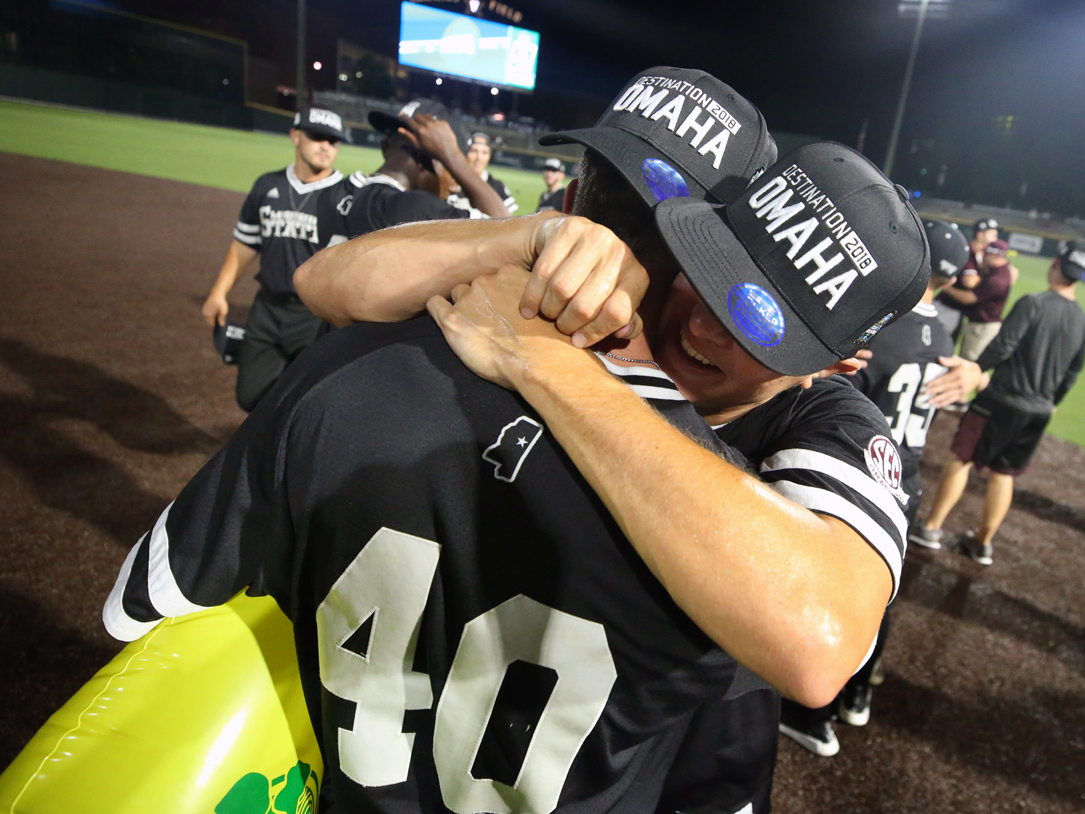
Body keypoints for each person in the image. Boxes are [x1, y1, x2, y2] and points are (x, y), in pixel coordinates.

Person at [108, 67, 916, 813]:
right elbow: (324, 282)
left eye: (760, 321)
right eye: (714, 267)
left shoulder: (418, 347)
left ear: (840, 365)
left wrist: (549, 366)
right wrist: (527, 258)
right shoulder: (484, 313)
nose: (704, 321)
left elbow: (820, 645)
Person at [773, 219, 981, 756]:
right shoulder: (943, 331)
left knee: (818, 591)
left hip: (851, 468)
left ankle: (810, 714)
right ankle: (858, 695)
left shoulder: (883, 325)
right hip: (904, 476)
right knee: (876, 597)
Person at [910, 241, 1085, 565]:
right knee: (1003, 474)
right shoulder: (1083, 321)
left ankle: (931, 528)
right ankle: (982, 542)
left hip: (1000, 400)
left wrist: (975, 368)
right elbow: (1073, 373)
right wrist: (1054, 402)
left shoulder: (1034, 303)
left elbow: (1004, 345)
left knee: (961, 459)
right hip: (1038, 410)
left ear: (1055, 264)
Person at [201, 106, 349, 412]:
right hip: (267, 308)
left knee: (305, 403)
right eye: (317, 137)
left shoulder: (345, 197)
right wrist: (219, 292)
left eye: (333, 141)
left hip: (315, 317)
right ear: (295, 136)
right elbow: (244, 245)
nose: (325, 146)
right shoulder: (267, 185)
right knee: (249, 396)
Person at [321, 99, 509, 238]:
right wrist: (453, 156)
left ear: (385, 146)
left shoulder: (332, 192)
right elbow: (507, 229)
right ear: (427, 156)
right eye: (452, 174)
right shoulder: (416, 210)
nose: (454, 188)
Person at [939, 239, 1019, 362]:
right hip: (980, 325)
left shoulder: (997, 279)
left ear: (996, 255)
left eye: (986, 254)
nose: (983, 257)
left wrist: (946, 287)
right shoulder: (999, 271)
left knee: (969, 365)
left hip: (982, 327)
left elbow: (968, 298)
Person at [935, 217, 996, 339]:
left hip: (959, 310)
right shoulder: (967, 251)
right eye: (992, 234)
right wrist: (992, 279)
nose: (995, 238)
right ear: (980, 234)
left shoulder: (984, 255)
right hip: (947, 307)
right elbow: (969, 282)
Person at [447, 132, 520, 214]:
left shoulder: (497, 187)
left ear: (489, 156)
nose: (479, 158)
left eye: (484, 152)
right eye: (474, 151)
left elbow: (508, 221)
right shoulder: (449, 182)